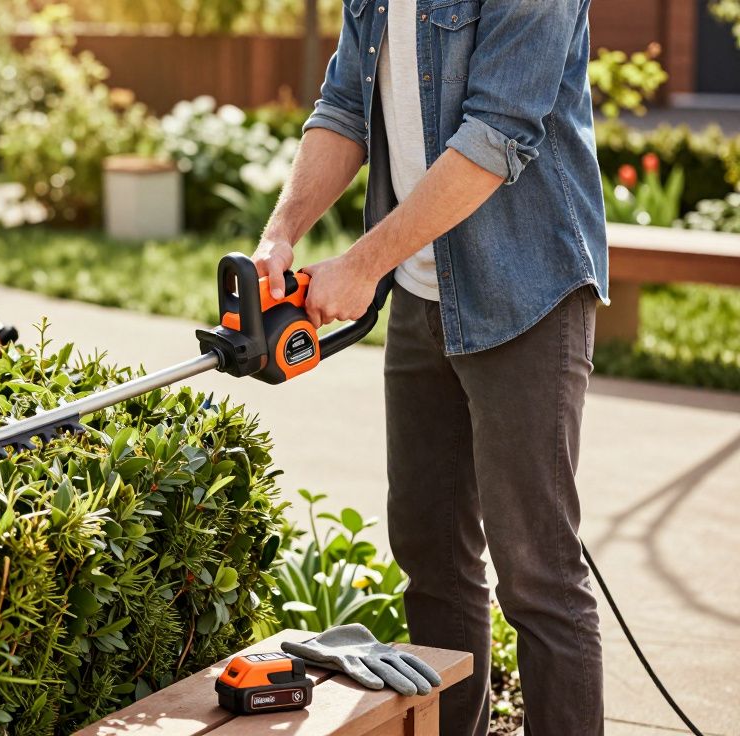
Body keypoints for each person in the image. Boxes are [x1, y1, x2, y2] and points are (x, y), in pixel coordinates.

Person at [251, 1, 607, 734]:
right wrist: (280, 234)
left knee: (539, 578)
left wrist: (359, 264)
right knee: (433, 560)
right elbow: (346, 106)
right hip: (421, 293)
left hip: (526, 295)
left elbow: (498, 134)